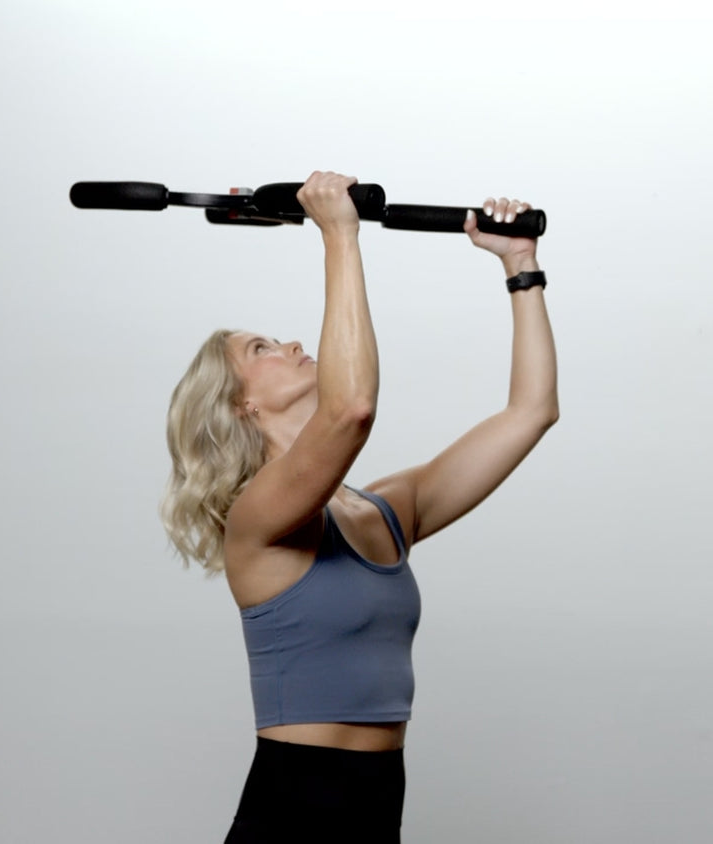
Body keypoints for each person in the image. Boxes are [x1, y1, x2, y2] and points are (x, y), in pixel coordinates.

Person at [159, 171, 560, 842]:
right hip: (290, 816)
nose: (289, 344)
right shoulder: (257, 521)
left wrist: (521, 269)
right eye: (262, 350)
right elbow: (351, 408)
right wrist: (338, 234)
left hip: (376, 813)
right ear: (241, 405)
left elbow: (531, 412)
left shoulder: (382, 514)